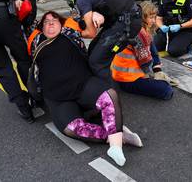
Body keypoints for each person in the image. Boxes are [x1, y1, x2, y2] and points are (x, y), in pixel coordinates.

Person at [27, 11, 143, 167]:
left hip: (82, 85)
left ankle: (115, 147)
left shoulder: (70, 33)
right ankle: (117, 135)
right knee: (71, 129)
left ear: (62, 24)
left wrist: (97, 15)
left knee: (109, 95)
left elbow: (89, 22)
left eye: (55, 20)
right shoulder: (36, 42)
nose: (51, 23)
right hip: (58, 97)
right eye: (46, 22)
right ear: (41, 28)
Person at [57, 0, 142, 81]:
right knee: (92, 49)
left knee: (97, 61)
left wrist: (72, 34)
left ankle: (109, 95)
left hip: (126, 24)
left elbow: (91, 33)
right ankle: (98, 84)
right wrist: (94, 14)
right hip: (126, 17)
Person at [111, 1, 175, 100]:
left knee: (152, 43)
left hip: (120, 75)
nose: (154, 21)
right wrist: (153, 76)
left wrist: (157, 69)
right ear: (143, 17)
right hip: (128, 80)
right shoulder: (140, 34)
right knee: (166, 90)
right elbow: (146, 62)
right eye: (151, 17)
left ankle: (157, 72)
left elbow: (151, 48)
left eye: (154, 17)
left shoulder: (132, 27)